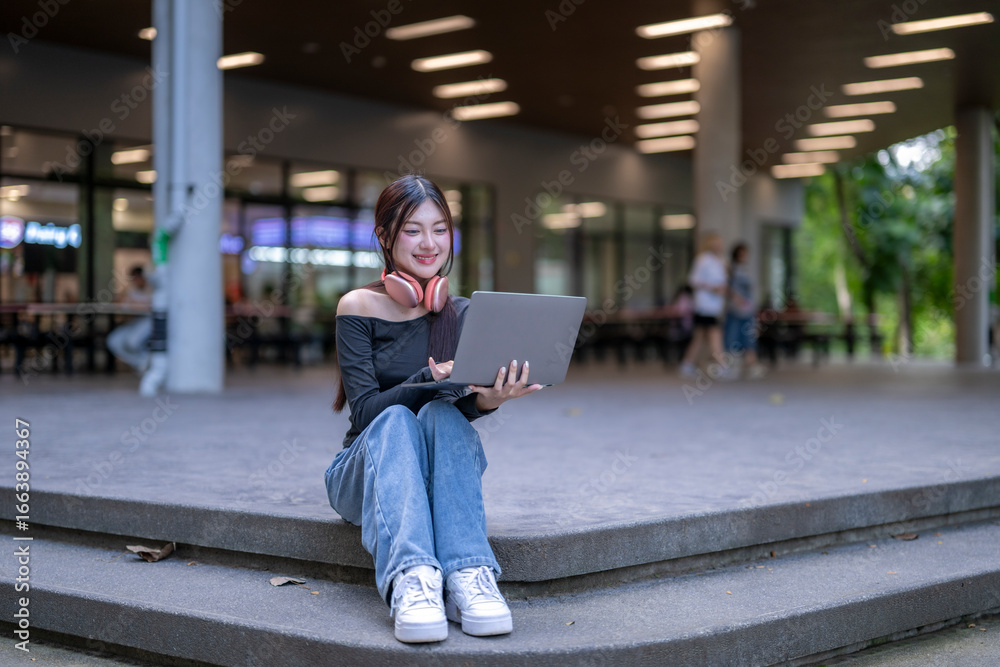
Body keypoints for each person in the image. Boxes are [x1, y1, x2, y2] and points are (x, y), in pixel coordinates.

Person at [325, 175, 541, 644]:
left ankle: (468, 575)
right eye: (413, 230)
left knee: (443, 416)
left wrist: (490, 398)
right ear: (385, 236)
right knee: (396, 418)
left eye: (440, 229)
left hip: (434, 476)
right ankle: (413, 578)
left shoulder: (461, 313)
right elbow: (365, 413)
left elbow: (456, 408)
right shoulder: (357, 306)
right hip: (364, 472)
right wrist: (429, 376)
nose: (430, 243)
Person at [679, 231, 729, 378]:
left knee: (700, 336)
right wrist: (711, 288)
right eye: (715, 242)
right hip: (705, 305)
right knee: (715, 334)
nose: (718, 245)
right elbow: (693, 281)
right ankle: (721, 365)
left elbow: (723, 282)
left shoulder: (720, 261)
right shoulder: (702, 260)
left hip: (715, 305)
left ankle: (687, 364)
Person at [724, 242, 767, 379]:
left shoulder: (748, 269)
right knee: (732, 338)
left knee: (749, 338)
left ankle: (751, 365)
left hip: (748, 310)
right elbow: (726, 287)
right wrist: (735, 298)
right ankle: (732, 367)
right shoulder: (730, 269)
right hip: (734, 310)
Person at [106, 265, 152, 372]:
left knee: (132, 342)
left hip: (149, 321)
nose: (136, 281)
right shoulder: (131, 290)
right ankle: (141, 362)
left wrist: (132, 303)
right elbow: (120, 303)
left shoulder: (152, 289)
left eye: (137, 278)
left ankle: (147, 363)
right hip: (135, 321)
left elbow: (149, 306)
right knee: (113, 341)